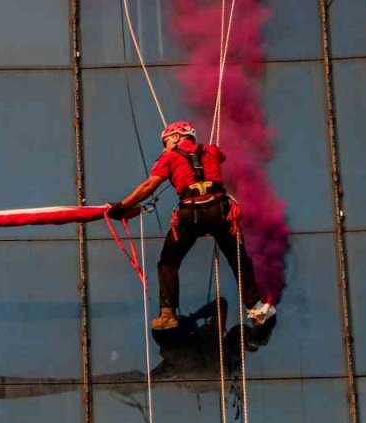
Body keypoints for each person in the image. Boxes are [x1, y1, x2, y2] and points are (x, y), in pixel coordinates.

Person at [107, 121, 275, 330]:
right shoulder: (212, 151)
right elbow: (220, 157)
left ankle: (167, 314)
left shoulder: (168, 158)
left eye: (166, 141)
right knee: (239, 259)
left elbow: (149, 185)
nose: (164, 146)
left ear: (177, 137)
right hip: (221, 213)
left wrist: (122, 206)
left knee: (168, 262)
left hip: (190, 215)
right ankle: (255, 306)